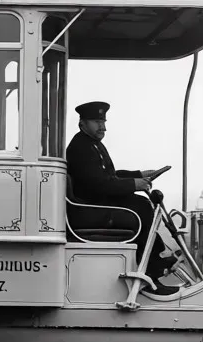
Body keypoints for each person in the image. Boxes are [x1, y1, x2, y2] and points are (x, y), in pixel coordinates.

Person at [65, 101, 179, 292]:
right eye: (96, 121)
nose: (103, 127)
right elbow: (98, 185)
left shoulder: (91, 144)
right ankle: (150, 272)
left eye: (103, 121)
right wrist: (135, 185)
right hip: (90, 209)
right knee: (140, 208)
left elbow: (109, 176)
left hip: (96, 203)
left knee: (140, 205)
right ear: (82, 123)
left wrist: (140, 175)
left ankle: (155, 261)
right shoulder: (81, 148)